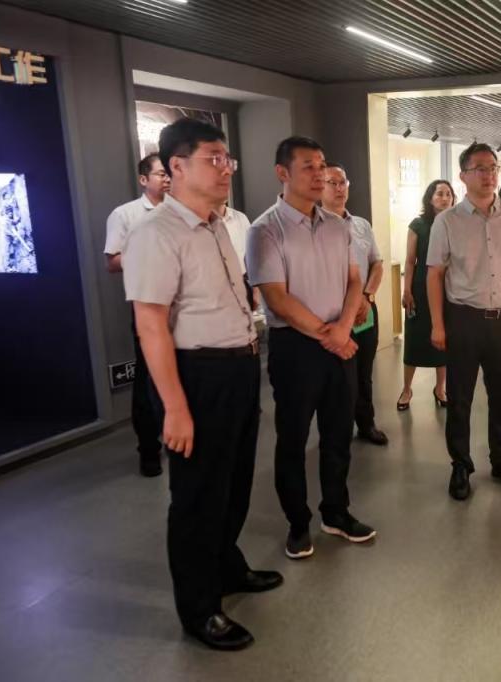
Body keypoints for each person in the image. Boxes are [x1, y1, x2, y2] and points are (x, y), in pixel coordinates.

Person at [123, 119, 281, 651]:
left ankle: (227, 566)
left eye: (226, 159)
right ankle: (198, 608)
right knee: (197, 496)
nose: (225, 168)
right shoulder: (155, 234)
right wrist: (174, 408)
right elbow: (151, 326)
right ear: (176, 166)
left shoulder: (216, 225)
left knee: (234, 482)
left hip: (238, 369)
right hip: (197, 375)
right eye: (213, 159)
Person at [246, 136, 377, 562]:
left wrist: (343, 328)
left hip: (339, 340)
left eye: (322, 165)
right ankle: (297, 523)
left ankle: (336, 512)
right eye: (309, 166)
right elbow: (277, 297)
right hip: (295, 348)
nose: (320, 174)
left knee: (338, 435)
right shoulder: (265, 229)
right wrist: (330, 334)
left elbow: (355, 281)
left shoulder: (339, 226)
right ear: (282, 173)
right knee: (294, 438)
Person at [427, 142, 501, 501]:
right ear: (463, 176)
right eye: (480, 168)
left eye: (493, 168)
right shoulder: (447, 221)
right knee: (459, 397)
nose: (489, 175)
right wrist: (438, 324)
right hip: (463, 319)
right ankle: (461, 465)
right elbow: (434, 274)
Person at [104, 153, 170, 476]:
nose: (167, 179)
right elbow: (112, 261)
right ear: (144, 179)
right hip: (148, 306)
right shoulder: (126, 214)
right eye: (160, 174)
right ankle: (148, 448)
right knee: (148, 378)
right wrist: (146, 254)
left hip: (183, 304)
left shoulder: (179, 211)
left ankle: (178, 437)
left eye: (169, 173)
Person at [321, 163, 388, 445]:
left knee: (364, 373)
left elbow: (377, 263)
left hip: (365, 310)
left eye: (343, 183)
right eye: (332, 183)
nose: (339, 189)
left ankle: (366, 423)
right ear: (320, 187)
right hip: (334, 314)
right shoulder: (315, 227)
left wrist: (367, 296)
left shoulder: (361, 225)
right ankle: (338, 429)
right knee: (337, 377)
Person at [398, 180, 454, 410]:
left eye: (448, 194)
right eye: (439, 193)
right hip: (421, 288)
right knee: (414, 340)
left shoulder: (455, 223)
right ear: (430, 198)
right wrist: (407, 290)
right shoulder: (418, 225)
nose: (445, 198)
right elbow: (410, 261)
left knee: (444, 342)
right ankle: (406, 389)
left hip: (448, 288)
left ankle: (440, 388)